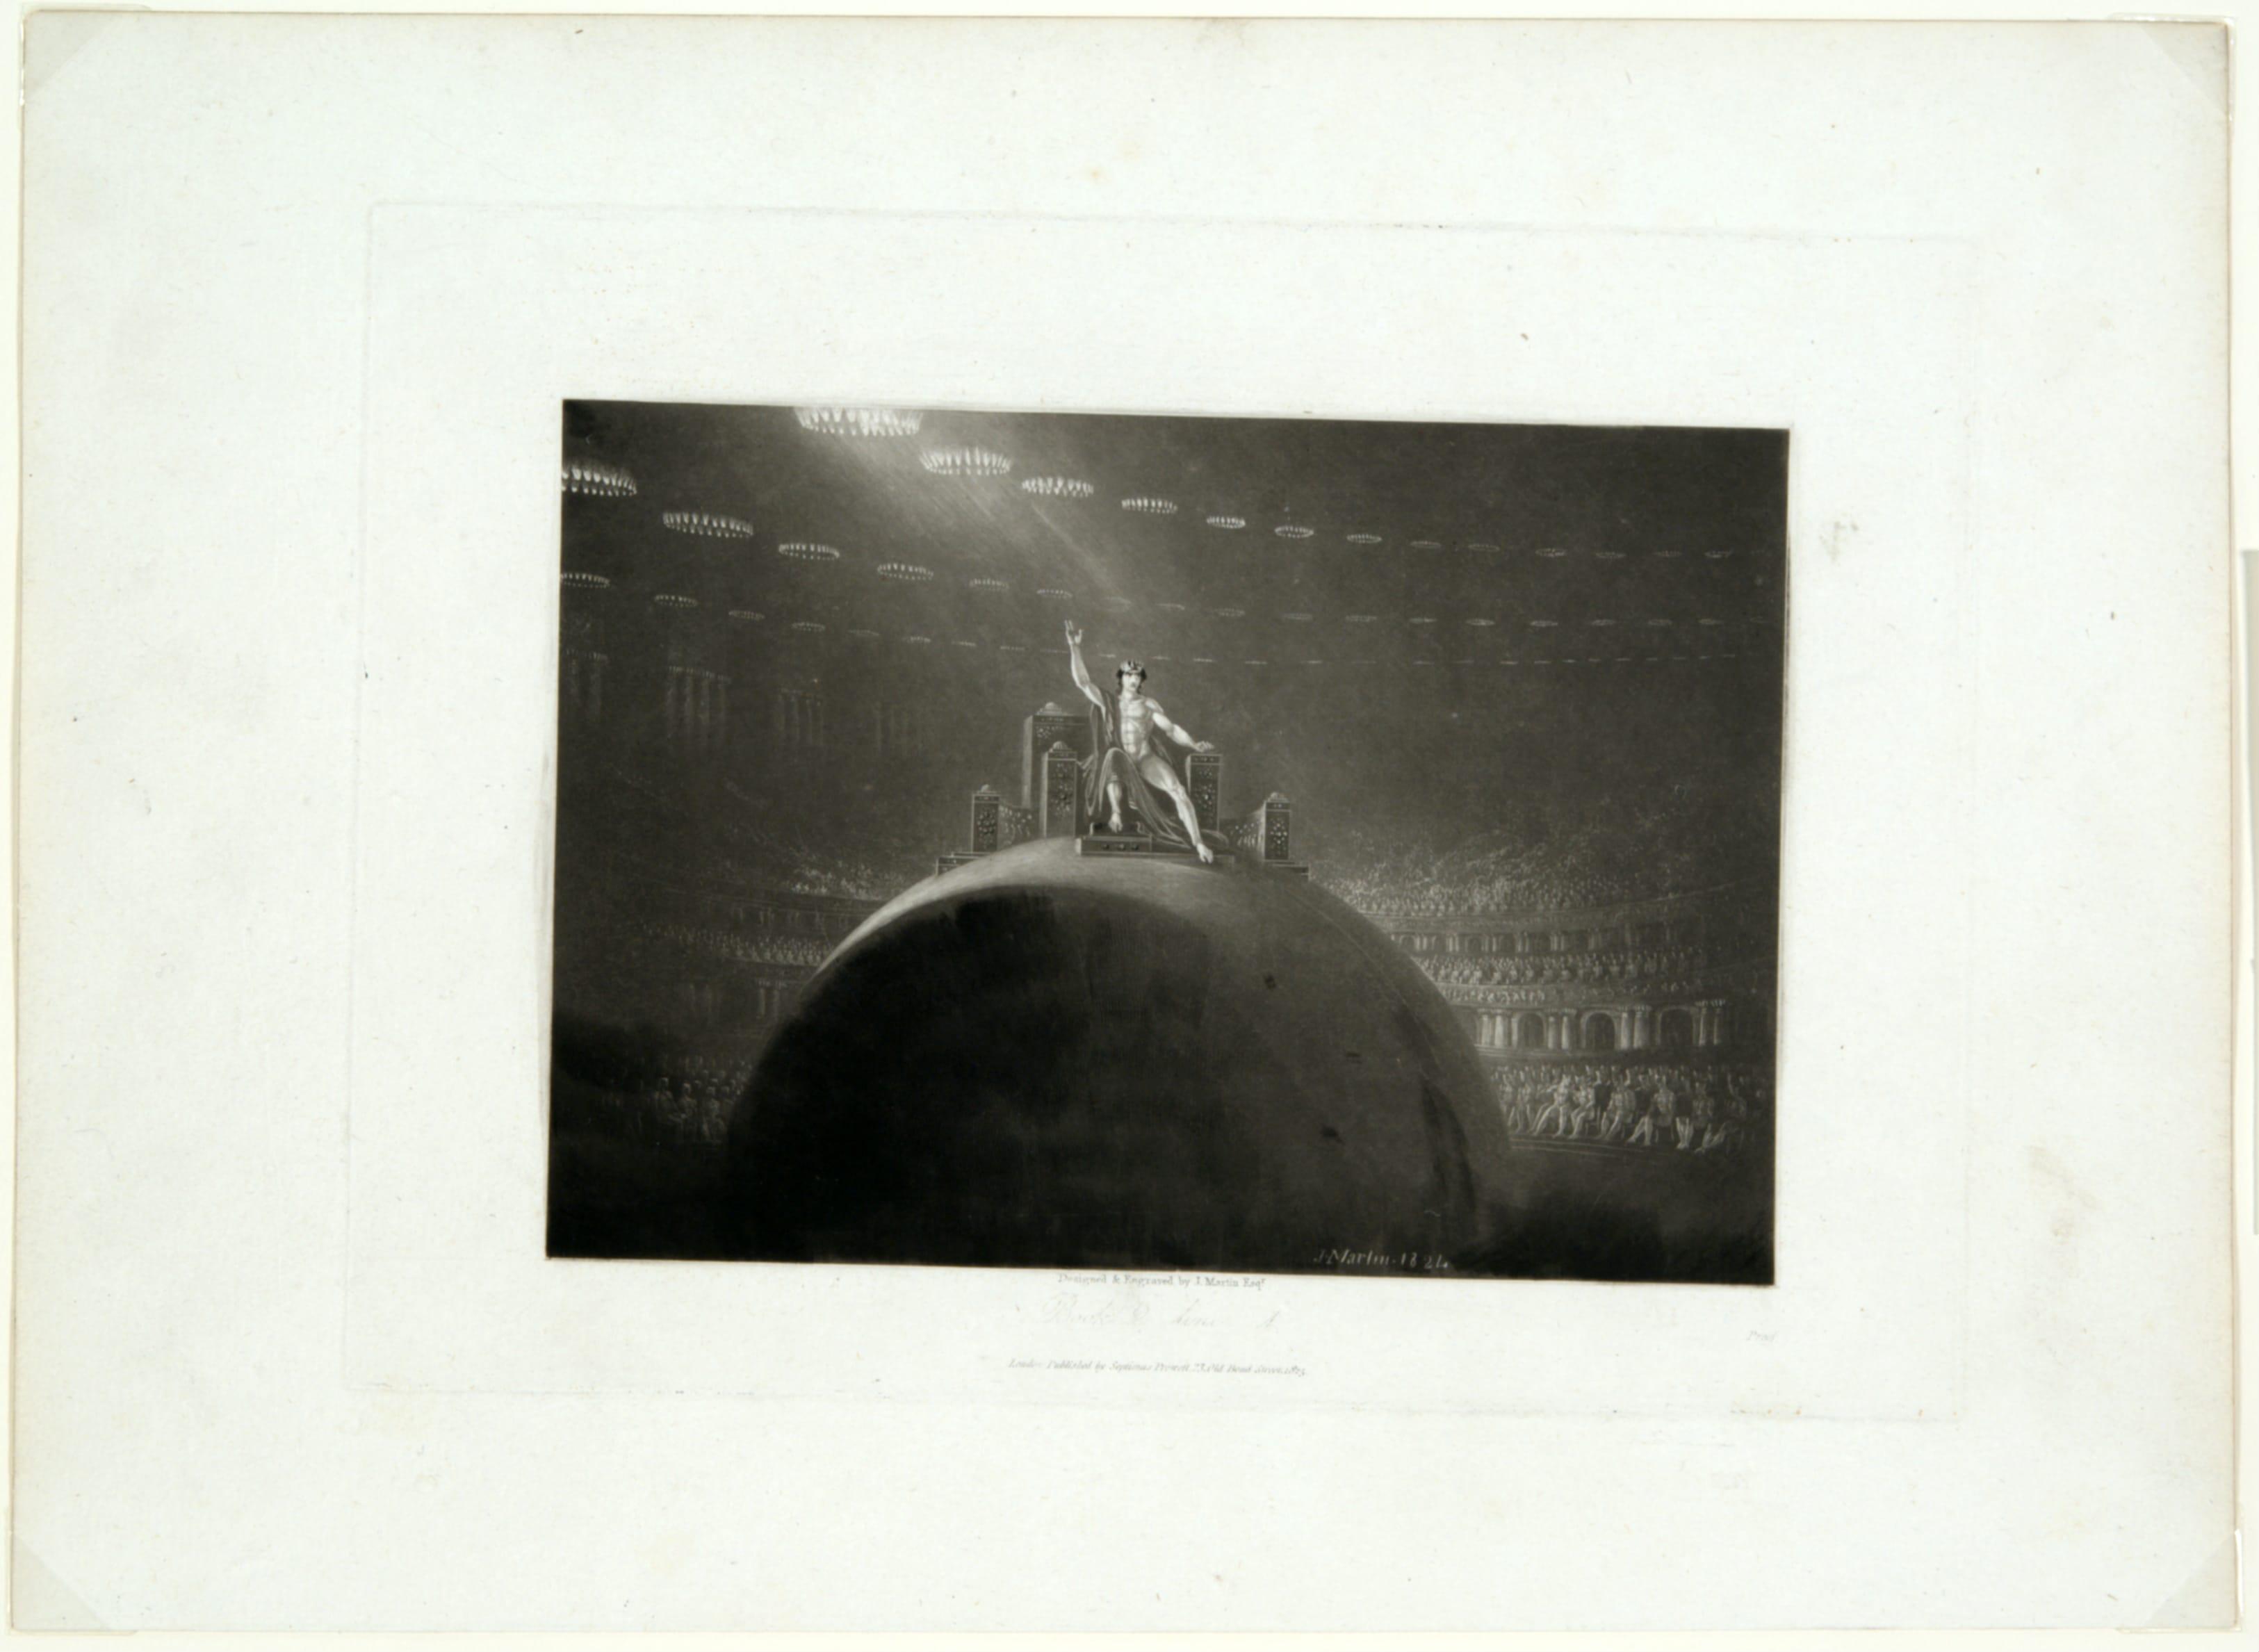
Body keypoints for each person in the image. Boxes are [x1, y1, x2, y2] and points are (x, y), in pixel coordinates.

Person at [1065, 620, 1221, 864]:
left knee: (1179, 791)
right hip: (1120, 760)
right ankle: (1116, 812)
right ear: (1121, 678)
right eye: (1129, 674)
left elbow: (1171, 729)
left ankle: (1199, 843)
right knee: (1115, 755)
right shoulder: (1109, 702)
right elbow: (1083, 682)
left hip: (1145, 759)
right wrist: (1075, 648)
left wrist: (1194, 745)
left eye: (1137, 675)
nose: (1133, 679)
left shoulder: (1149, 705)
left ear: (1142, 679)